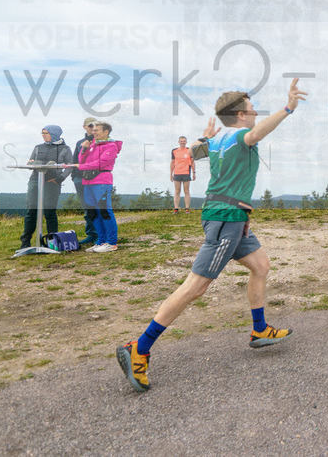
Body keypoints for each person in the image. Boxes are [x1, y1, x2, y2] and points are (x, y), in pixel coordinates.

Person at [117, 79, 306, 393]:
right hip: (225, 218)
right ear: (240, 115)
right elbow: (257, 133)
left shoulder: (220, 139)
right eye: (251, 108)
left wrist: (204, 137)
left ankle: (259, 330)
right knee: (196, 286)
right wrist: (288, 108)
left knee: (260, 265)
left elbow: (193, 150)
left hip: (231, 216)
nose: (255, 111)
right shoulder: (243, 136)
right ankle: (139, 347)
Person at [18, 125, 72, 249]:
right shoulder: (38, 147)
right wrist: (31, 163)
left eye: (45, 133)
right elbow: (30, 162)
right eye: (42, 133)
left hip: (52, 182)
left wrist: (59, 179)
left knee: (49, 212)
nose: (43, 135)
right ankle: (25, 242)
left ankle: (52, 242)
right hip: (35, 180)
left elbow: (69, 166)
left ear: (54, 134)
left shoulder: (65, 148)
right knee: (31, 211)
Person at [73, 121, 123, 253]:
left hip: (102, 181)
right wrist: (84, 148)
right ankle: (101, 241)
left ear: (106, 132)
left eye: (97, 130)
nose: (93, 132)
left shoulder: (111, 146)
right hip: (88, 182)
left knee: (105, 211)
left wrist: (81, 167)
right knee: (92, 212)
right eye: (93, 130)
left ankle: (111, 242)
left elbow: (101, 163)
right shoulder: (92, 145)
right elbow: (81, 159)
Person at [72, 117, 98, 245]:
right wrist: (74, 177)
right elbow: (74, 161)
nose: (92, 128)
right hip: (80, 179)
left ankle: (101, 235)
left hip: (95, 179)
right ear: (84, 127)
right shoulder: (79, 143)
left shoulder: (101, 142)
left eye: (95, 125)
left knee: (98, 207)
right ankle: (91, 234)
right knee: (87, 208)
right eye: (90, 126)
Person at [170, 136, 196, 213]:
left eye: (184, 141)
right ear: (179, 142)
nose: (182, 142)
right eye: (181, 141)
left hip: (186, 173)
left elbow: (192, 162)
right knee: (177, 191)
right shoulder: (174, 151)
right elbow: (172, 163)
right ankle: (176, 208)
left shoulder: (189, 150)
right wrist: (171, 174)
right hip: (177, 173)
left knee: (186, 190)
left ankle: (187, 208)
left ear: (186, 142)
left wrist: (194, 173)